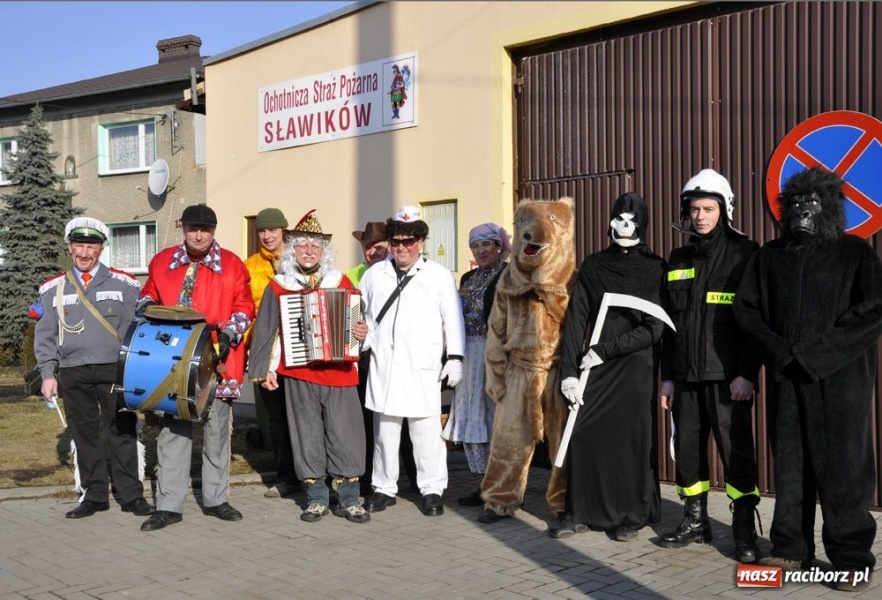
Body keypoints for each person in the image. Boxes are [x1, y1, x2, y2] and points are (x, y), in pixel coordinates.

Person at [734, 167, 882, 589]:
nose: (801, 211)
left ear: (829, 208)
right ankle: (790, 548)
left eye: (811, 204)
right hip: (787, 381)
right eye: (795, 204)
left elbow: (873, 309)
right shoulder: (768, 257)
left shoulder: (854, 252)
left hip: (841, 384)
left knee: (844, 468)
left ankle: (851, 556)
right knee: (791, 466)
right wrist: (780, 352)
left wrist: (818, 353)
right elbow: (746, 312)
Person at [657, 169, 762, 563]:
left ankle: (743, 528)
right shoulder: (678, 256)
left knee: (737, 453)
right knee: (687, 450)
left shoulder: (744, 254)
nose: (700, 216)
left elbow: (754, 322)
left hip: (727, 377)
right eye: (694, 209)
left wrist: (747, 373)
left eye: (708, 208)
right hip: (684, 375)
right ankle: (695, 519)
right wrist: (667, 376)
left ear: (725, 210)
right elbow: (669, 324)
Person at [553, 193, 665, 540]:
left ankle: (631, 514)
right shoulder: (594, 265)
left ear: (642, 224)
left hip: (634, 366)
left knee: (631, 440)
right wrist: (569, 373)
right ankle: (580, 512)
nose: (623, 225)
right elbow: (576, 319)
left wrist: (607, 350)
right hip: (593, 367)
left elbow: (655, 326)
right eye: (618, 217)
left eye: (631, 219)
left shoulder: (655, 268)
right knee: (584, 432)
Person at [137, 204, 254, 531]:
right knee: (173, 433)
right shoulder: (162, 263)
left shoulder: (232, 265)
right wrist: (148, 309)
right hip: (173, 364)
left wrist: (230, 333)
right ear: (183, 228)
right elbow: (146, 296)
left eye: (205, 229)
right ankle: (169, 505)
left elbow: (245, 306)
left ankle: (217, 499)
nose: (199, 235)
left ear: (214, 231)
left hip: (216, 362)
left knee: (216, 434)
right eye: (193, 228)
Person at [249, 210, 370, 524]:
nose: (308, 251)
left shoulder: (340, 281)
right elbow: (265, 330)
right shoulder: (280, 285)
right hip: (299, 373)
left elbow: (359, 324)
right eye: (301, 246)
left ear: (323, 252)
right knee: (306, 435)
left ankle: (349, 499)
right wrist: (264, 370)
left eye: (314, 247)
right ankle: (316, 499)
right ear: (292, 250)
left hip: (341, 373)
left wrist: (360, 332)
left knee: (346, 434)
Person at [34, 217, 153, 519]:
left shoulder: (124, 284)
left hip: (114, 368)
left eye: (91, 246)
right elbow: (45, 336)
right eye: (79, 246)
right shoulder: (52, 289)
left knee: (122, 431)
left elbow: (135, 328)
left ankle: (131, 495)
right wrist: (48, 375)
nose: (85, 253)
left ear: (101, 249)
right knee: (83, 434)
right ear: (69, 247)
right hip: (73, 371)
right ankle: (95, 494)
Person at [359, 205, 465, 517]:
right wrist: (361, 337)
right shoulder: (374, 275)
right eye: (396, 241)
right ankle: (383, 487)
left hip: (422, 367)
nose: (402, 247)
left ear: (420, 242)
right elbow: (361, 316)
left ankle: (431, 489)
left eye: (409, 241)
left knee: (426, 433)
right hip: (385, 366)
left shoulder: (438, 276)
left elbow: (453, 320)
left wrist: (456, 357)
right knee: (385, 433)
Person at [441, 222, 510, 507]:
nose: (481, 250)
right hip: (468, 355)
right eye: (475, 245)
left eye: (487, 244)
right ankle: (484, 484)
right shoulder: (468, 277)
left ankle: (504, 486)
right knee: (474, 418)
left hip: (496, 356)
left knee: (497, 420)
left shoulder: (510, 274)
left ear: (499, 246)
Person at [243, 207, 299, 499]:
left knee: (304, 415)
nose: (267, 236)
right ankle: (286, 476)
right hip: (267, 353)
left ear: (283, 231)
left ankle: (312, 473)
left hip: (300, 353)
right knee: (276, 419)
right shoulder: (249, 266)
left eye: (272, 230)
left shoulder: (299, 259)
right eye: (262, 231)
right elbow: (244, 311)